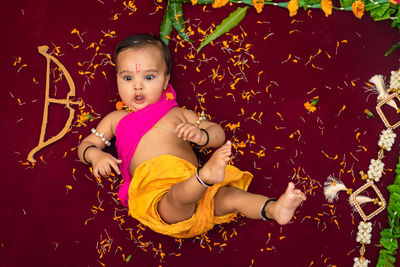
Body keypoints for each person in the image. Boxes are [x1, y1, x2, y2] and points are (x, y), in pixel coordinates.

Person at [78, 34, 306, 238]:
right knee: (177, 196)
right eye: (127, 78)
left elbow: (217, 132)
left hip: (195, 188)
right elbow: (86, 145)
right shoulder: (116, 119)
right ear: (117, 78)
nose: (137, 87)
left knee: (231, 197)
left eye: (149, 78)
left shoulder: (178, 113)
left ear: (166, 81)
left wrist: (201, 136)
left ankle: (274, 209)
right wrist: (96, 155)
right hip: (158, 197)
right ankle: (204, 177)